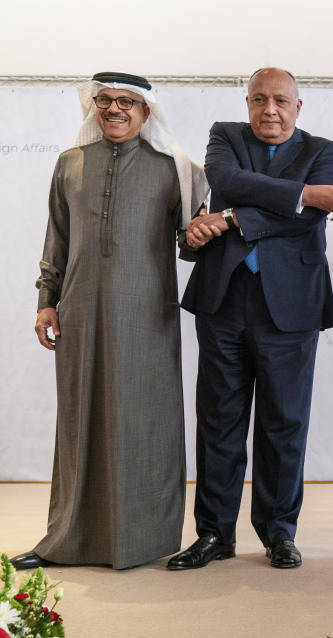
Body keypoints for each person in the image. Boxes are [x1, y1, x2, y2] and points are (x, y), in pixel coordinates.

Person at [12, 71, 206, 570]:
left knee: (145, 422)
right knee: (79, 420)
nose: (114, 109)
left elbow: (189, 248)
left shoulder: (173, 169)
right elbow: (56, 237)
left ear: (146, 113)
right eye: (105, 100)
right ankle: (66, 539)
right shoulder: (70, 164)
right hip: (78, 311)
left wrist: (203, 229)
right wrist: (45, 300)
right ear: (93, 106)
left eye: (126, 102)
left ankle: (143, 540)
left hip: (147, 315)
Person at [168, 68, 333, 570]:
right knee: (219, 421)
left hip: (291, 305)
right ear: (247, 102)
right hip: (224, 298)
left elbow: (313, 214)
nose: (270, 110)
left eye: (281, 101)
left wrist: (230, 218)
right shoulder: (225, 136)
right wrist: (298, 193)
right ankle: (214, 534)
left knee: (284, 423)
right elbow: (226, 180)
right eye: (260, 100)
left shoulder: (323, 149)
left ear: (298, 106)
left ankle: (278, 532)